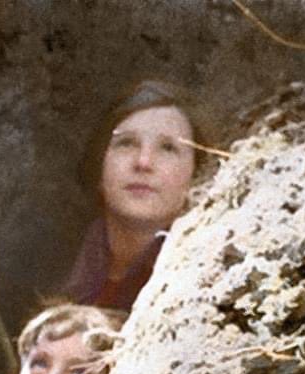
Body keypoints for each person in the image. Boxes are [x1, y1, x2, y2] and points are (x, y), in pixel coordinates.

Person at [60, 81, 210, 313]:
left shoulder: (201, 278)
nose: (143, 162)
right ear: (98, 163)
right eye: (126, 143)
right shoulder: (59, 266)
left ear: (196, 175)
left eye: (168, 148)